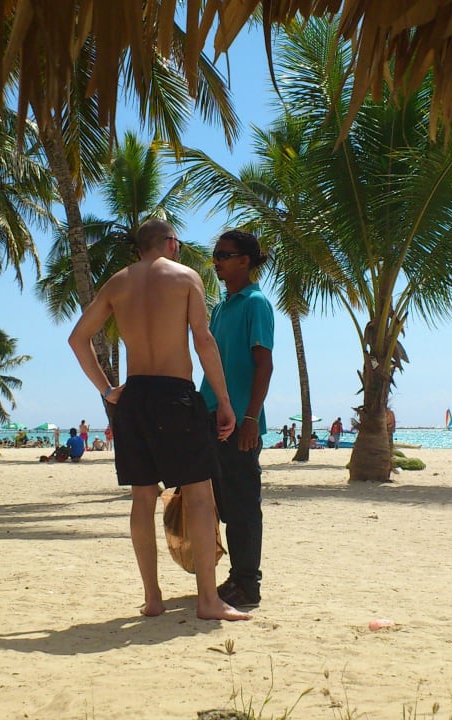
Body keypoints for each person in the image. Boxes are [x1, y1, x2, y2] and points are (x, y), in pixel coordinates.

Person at [68, 217, 248, 621]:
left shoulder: (117, 283)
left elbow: (77, 339)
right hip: (175, 394)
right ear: (170, 243)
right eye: (179, 244)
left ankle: (152, 598)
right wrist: (223, 400)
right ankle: (207, 600)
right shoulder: (184, 277)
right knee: (200, 495)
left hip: (134, 397)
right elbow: (203, 340)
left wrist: (108, 390)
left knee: (142, 498)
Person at [198, 229, 274, 610]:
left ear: (245, 261)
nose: (217, 261)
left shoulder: (255, 303)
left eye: (224, 255)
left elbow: (264, 364)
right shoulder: (219, 307)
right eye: (216, 254)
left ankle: (248, 585)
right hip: (211, 417)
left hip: (240, 421)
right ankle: (234, 578)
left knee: (243, 506)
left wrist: (250, 418)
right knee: (223, 505)